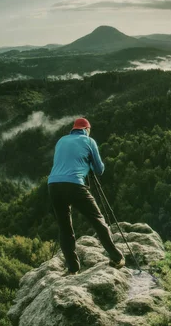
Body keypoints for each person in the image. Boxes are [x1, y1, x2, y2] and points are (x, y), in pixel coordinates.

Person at [48, 117, 124, 275]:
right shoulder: (89, 141)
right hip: (75, 184)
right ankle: (116, 257)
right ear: (87, 129)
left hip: (53, 185)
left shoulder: (61, 140)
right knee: (97, 220)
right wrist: (88, 164)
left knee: (65, 228)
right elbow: (99, 169)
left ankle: (73, 268)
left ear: (74, 129)